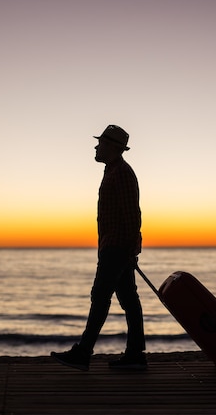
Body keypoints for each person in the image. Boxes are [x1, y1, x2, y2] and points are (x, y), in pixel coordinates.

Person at [51, 124, 146, 371]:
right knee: (128, 300)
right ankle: (136, 355)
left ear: (112, 147)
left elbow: (132, 215)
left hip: (116, 248)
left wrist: (130, 249)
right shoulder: (113, 171)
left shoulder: (122, 173)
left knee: (101, 297)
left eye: (100, 143)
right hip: (114, 247)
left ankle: (84, 353)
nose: (96, 146)